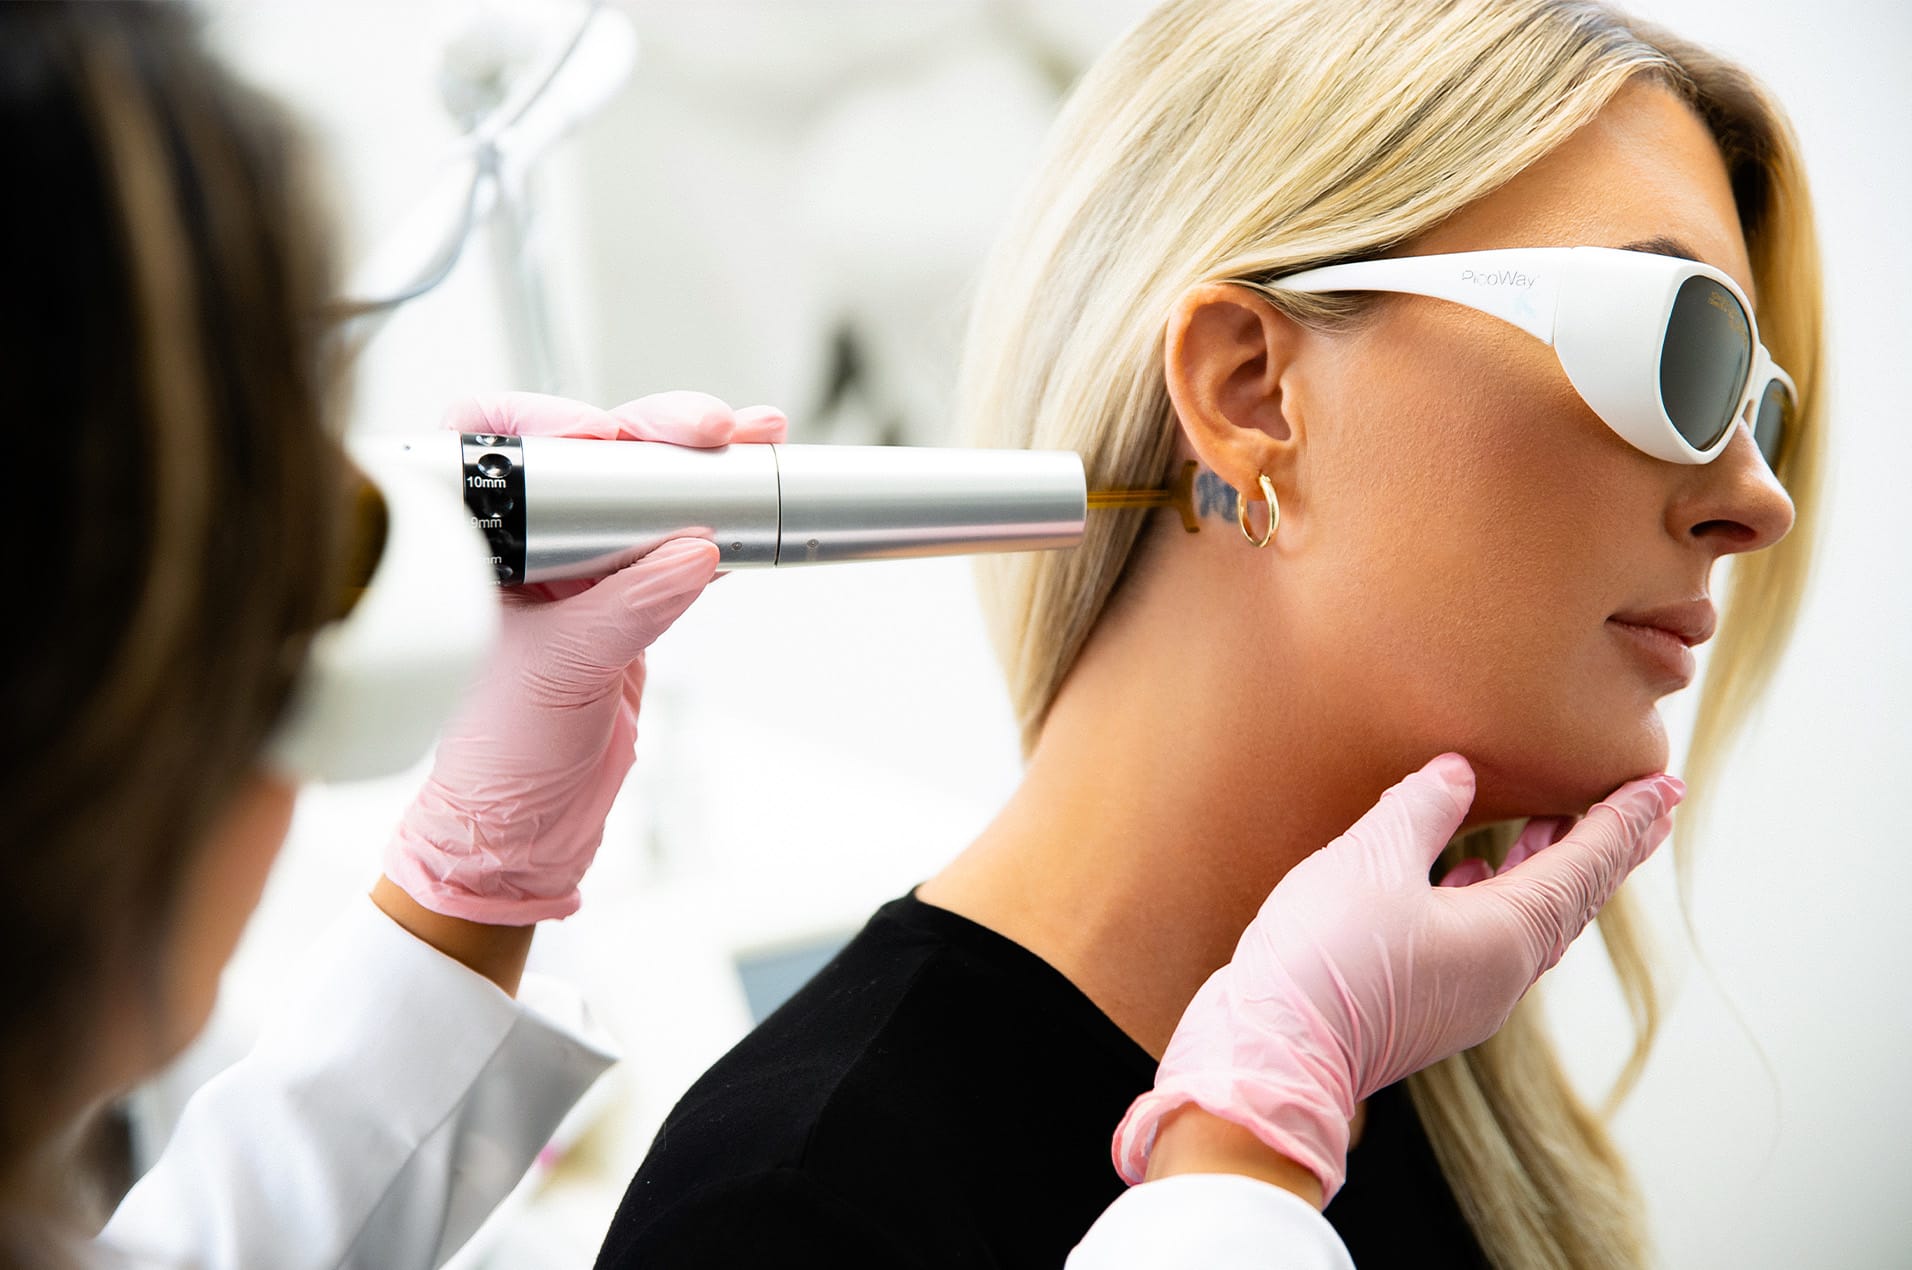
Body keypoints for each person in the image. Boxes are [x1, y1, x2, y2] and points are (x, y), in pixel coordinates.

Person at [597, 0, 1821, 1267]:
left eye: (1759, 411)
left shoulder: (1423, 1103)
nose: (1759, 500)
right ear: (1251, 391)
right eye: (1682, 348)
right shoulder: (793, 1208)